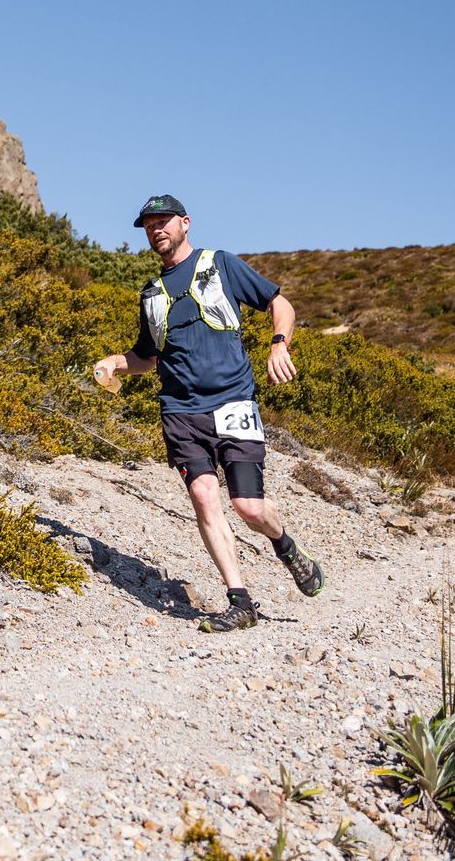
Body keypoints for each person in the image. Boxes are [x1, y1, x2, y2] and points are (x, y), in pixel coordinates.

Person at [92, 193, 324, 631]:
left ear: (185, 223)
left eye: (164, 221)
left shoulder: (220, 264)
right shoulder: (152, 294)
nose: (155, 229)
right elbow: (148, 356)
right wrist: (115, 362)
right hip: (180, 410)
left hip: (233, 401)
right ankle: (241, 602)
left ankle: (286, 545)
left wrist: (278, 344)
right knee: (203, 497)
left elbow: (280, 304)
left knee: (249, 507)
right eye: (148, 224)